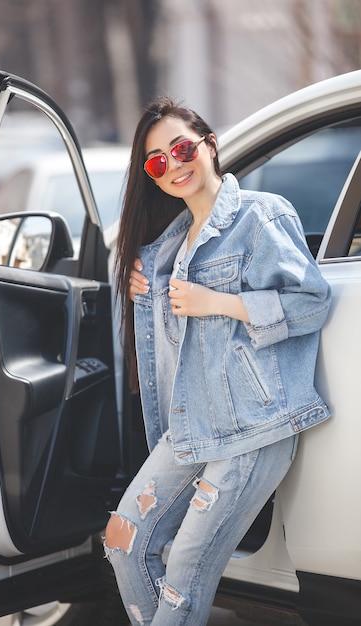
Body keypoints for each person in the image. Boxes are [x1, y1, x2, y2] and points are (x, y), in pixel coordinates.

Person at [104, 96, 332, 626]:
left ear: (208, 144)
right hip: (189, 428)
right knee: (124, 542)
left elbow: (312, 301)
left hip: (251, 428)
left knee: (186, 565)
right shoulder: (165, 249)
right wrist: (149, 288)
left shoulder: (260, 215)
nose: (174, 163)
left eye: (181, 147)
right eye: (158, 161)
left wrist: (221, 303)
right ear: (153, 178)